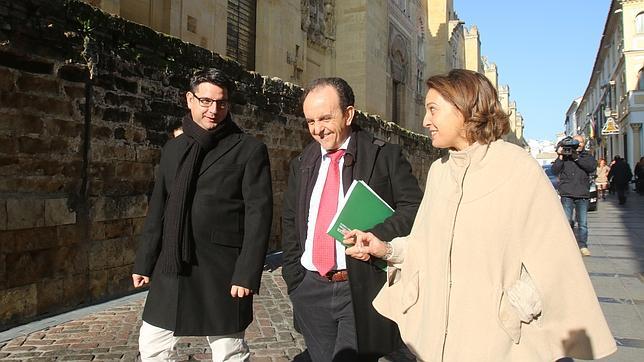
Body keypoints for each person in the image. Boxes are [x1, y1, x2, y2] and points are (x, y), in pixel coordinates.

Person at [344, 69, 616, 362]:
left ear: (464, 108)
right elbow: (424, 244)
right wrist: (383, 248)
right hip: (436, 342)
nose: (425, 121)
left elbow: (555, 261)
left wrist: (510, 310)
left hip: (497, 346)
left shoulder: (519, 169)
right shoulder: (439, 171)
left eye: (433, 109)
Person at [132, 69, 273, 361]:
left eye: (221, 103)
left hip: (222, 268)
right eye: (206, 101)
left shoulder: (248, 149)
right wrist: (144, 261)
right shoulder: (173, 149)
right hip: (173, 263)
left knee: (228, 351)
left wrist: (246, 273)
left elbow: (258, 216)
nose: (214, 110)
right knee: (152, 345)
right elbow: (159, 207)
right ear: (189, 99)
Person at [281, 77, 423, 361]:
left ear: (348, 114)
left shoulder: (384, 156)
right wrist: (295, 278)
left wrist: (376, 234)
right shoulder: (302, 163)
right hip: (311, 288)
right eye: (310, 121)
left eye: (325, 118)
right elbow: (291, 220)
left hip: (359, 288)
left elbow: (414, 208)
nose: (318, 129)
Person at [552, 134, 596, 256]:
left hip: (582, 193)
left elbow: (591, 167)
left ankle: (583, 246)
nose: (578, 144)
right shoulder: (565, 156)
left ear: (583, 144)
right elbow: (554, 170)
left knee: (582, 223)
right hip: (567, 193)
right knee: (567, 221)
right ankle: (568, 245)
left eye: (580, 142)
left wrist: (577, 158)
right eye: (576, 141)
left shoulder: (587, 156)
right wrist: (560, 156)